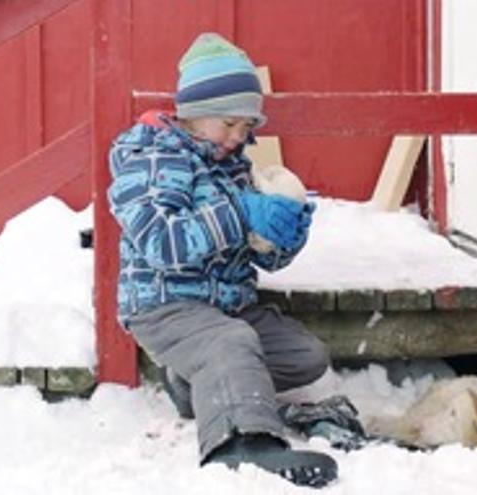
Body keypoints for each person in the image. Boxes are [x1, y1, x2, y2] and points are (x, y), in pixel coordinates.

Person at [107, 32, 337, 488]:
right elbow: (161, 242)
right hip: (165, 306)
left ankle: (193, 384)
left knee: (306, 356)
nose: (240, 136)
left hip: (227, 304)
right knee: (229, 343)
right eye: (230, 123)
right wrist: (238, 211)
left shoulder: (235, 166)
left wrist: (283, 235)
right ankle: (242, 444)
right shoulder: (153, 158)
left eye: (247, 126)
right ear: (194, 114)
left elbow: (260, 257)